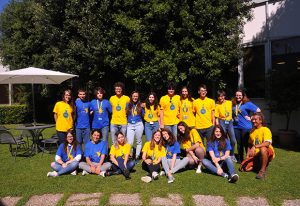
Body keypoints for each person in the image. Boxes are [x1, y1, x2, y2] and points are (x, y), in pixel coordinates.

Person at [232, 89, 261, 163]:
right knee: (239, 144)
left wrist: (251, 117)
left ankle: (248, 159)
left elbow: (258, 110)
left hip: (246, 127)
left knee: (246, 144)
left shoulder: (247, 103)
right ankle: (240, 159)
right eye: (237, 95)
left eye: (240, 95)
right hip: (236, 127)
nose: (238, 97)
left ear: (243, 96)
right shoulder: (234, 103)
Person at [246, 112, 275, 179]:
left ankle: (262, 171)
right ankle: (259, 165)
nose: (253, 121)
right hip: (256, 154)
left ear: (261, 120)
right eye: (252, 119)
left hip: (266, 152)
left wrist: (255, 146)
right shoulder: (252, 131)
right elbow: (250, 144)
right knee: (245, 168)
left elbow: (267, 143)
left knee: (263, 148)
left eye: (255, 119)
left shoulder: (266, 129)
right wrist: (247, 156)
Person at [215, 90, 237, 162]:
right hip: (222, 122)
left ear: (224, 96)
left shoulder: (230, 102)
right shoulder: (217, 105)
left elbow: (237, 108)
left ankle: (232, 154)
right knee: (223, 139)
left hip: (230, 122)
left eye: (222, 96)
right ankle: (224, 154)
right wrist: (217, 126)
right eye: (219, 96)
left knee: (233, 140)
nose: (220, 98)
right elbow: (216, 117)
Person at [126, 91, 144, 160]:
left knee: (138, 141)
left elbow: (143, 115)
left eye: (136, 96)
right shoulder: (128, 104)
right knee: (129, 142)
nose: (135, 97)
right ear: (131, 96)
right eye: (134, 96)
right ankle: (130, 155)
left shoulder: (141, 105)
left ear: (138, 97)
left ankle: (137, 156)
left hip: (138, 124)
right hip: (130, 125)